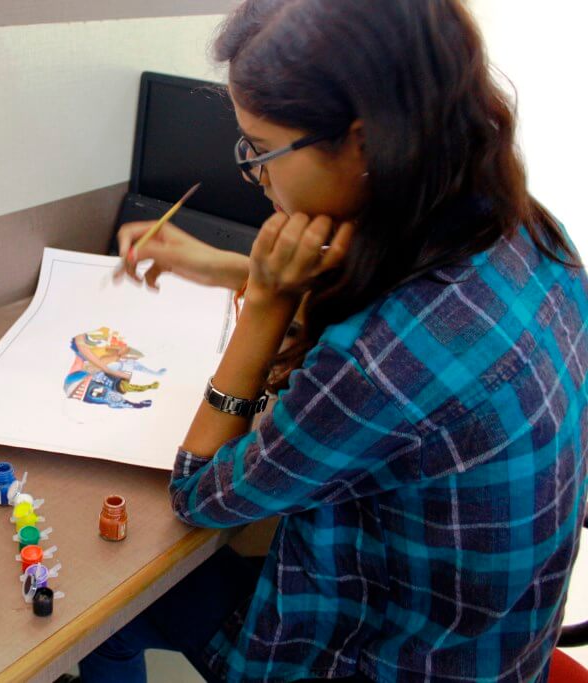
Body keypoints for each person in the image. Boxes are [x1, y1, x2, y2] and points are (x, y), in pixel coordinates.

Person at [79, 0, 588, 681]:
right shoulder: (530, 232)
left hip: (377, 659)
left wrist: (263, 308)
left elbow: (201, 493)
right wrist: (228, 267)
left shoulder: (380, 365)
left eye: (262, 150)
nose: (257, 177)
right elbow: (400, 301)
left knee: (103, 616)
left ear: (365, 144)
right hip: (497, 647)